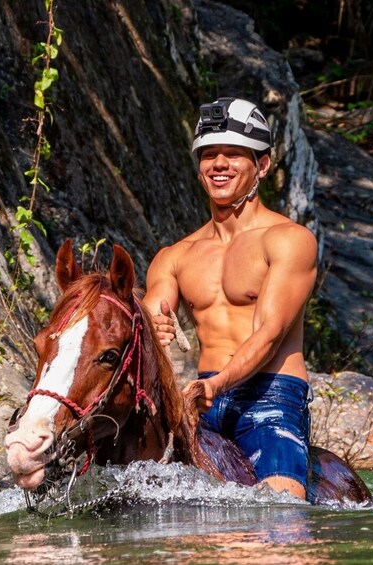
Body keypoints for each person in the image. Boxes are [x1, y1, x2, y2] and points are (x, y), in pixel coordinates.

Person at [142, 97, 318, 500]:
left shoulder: (289, 240)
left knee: (281, 512)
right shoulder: (176, 255)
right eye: (209, 154)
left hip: (270, 396)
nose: (218, 163)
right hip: (201, 400)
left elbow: (271, 333)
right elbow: (154, 307)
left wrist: (219, 383)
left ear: (263, 164)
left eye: (234, 154)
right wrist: (151, 322)